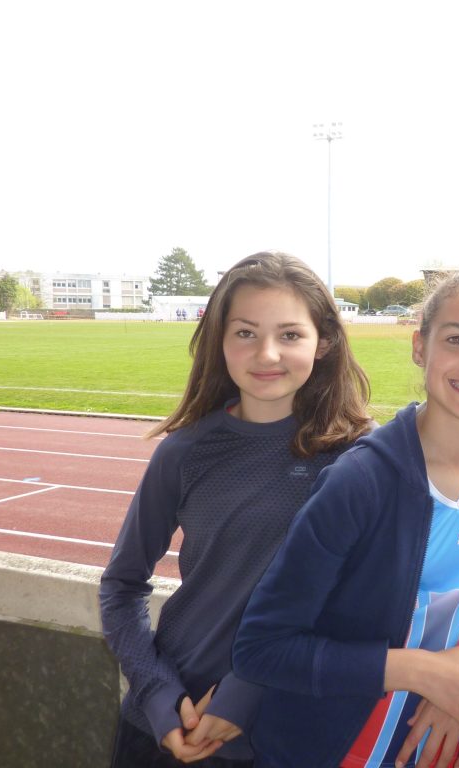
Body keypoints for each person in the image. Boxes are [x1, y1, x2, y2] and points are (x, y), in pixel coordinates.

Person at [233, 270, 459, 768]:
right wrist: (420, 671)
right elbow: (262, 648)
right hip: (329, 749)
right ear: (420, 347)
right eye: (457, 339)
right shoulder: (361, 480)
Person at [99, 251, 373, 766]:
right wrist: (159, 697)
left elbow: (365, 604)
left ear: (325, 341)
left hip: (281, 734)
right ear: (219, 341)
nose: (267, 353)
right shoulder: (185, 452)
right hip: (165, 727)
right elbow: (121, 585)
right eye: (245, 333)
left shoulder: (362, 459)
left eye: (290, 334)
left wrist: (244, 692)